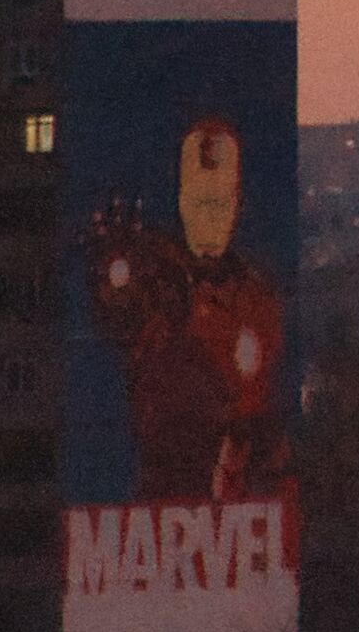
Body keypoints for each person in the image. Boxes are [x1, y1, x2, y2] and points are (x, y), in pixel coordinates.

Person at [83, 110, 290, 498]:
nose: (208, 219)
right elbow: (120, 311)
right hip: (166, 491)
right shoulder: (159, 276)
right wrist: (114, 274)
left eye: (218, 203)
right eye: (198, 203)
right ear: (181, 202)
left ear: (236, 204)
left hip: (238, 491)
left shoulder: (257, 293)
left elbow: (263, 400)